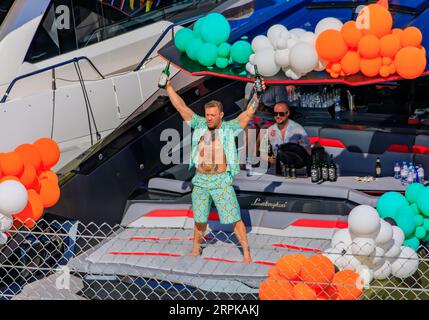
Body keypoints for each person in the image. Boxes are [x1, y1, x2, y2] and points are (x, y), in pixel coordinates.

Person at [163, 79, 262, 263]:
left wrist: (257, 93)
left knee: (234, 218)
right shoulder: (200, 125)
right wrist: (169, 87)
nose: (209, 118)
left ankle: (246, 253)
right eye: (207, 114)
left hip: (221, 180)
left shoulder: (229, 128)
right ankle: (196, 249)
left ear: (221, 115)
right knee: (199, 217)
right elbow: (181, 107)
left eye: (212, 115)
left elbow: (249, 113)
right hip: (201, 180)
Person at [260, 101, 311, 168]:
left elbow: (308, 152)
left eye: (281, 114)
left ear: (288, 113)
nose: (278, 116)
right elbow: (262, 152)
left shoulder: (298, 129)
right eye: (275, 113)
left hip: (295, 167)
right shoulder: (270, 130)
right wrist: (269, 159)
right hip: (277, 168)